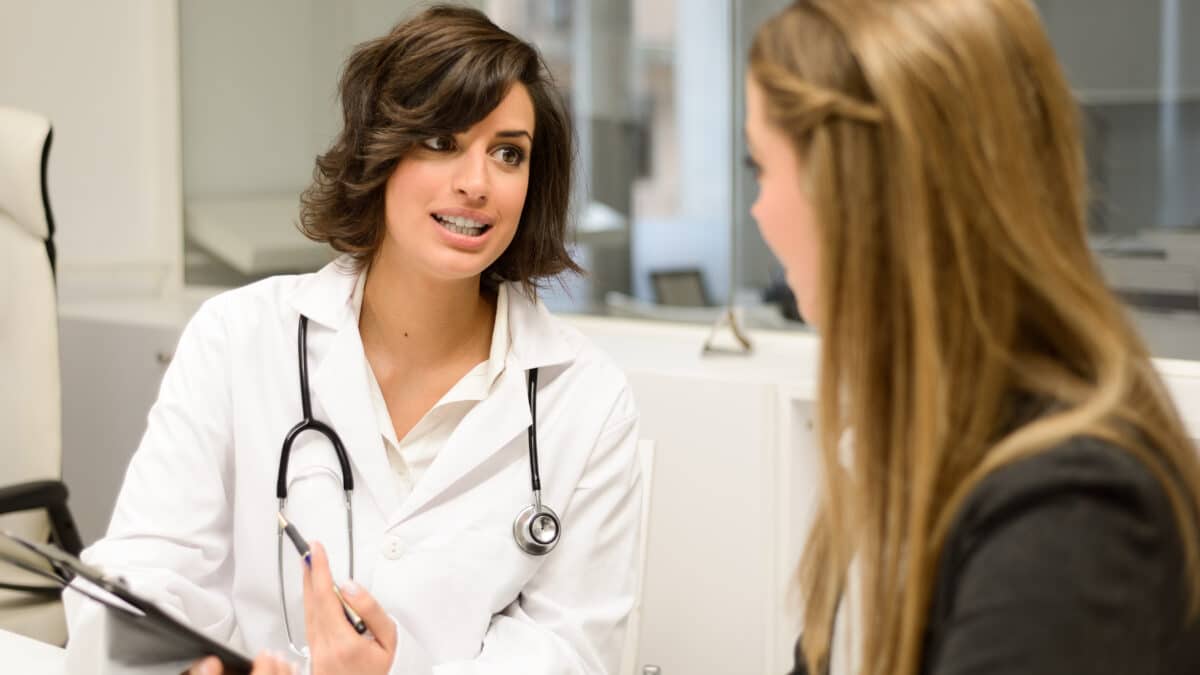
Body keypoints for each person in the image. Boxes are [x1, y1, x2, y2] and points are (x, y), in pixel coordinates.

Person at [65, 6, 642, 675]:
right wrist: (180, 665)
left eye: (507, 152)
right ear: (380, 150)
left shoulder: (584, 398)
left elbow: (571, 652)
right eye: (441, 142)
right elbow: (136, 571)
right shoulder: (238, 340)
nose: (477, 183)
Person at [743, 1, 1200, 673]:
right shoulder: (912, 444)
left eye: (761, 166)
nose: (757, 207)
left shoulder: (1070, 512)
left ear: (850, 191)